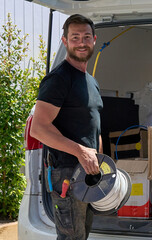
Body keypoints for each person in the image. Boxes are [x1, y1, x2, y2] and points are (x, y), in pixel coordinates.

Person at [30, 14, 103, 240]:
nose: (81, 42)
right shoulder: (59, 79)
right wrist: (80, 152)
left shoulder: (91, 81)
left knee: (82, 236)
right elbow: (38, 129)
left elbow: (93, 127)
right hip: (67, 174)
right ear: (64, 41)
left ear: (94, 40)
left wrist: (102, 162)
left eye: (86, 37)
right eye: (75, 37)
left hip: (89, 172)